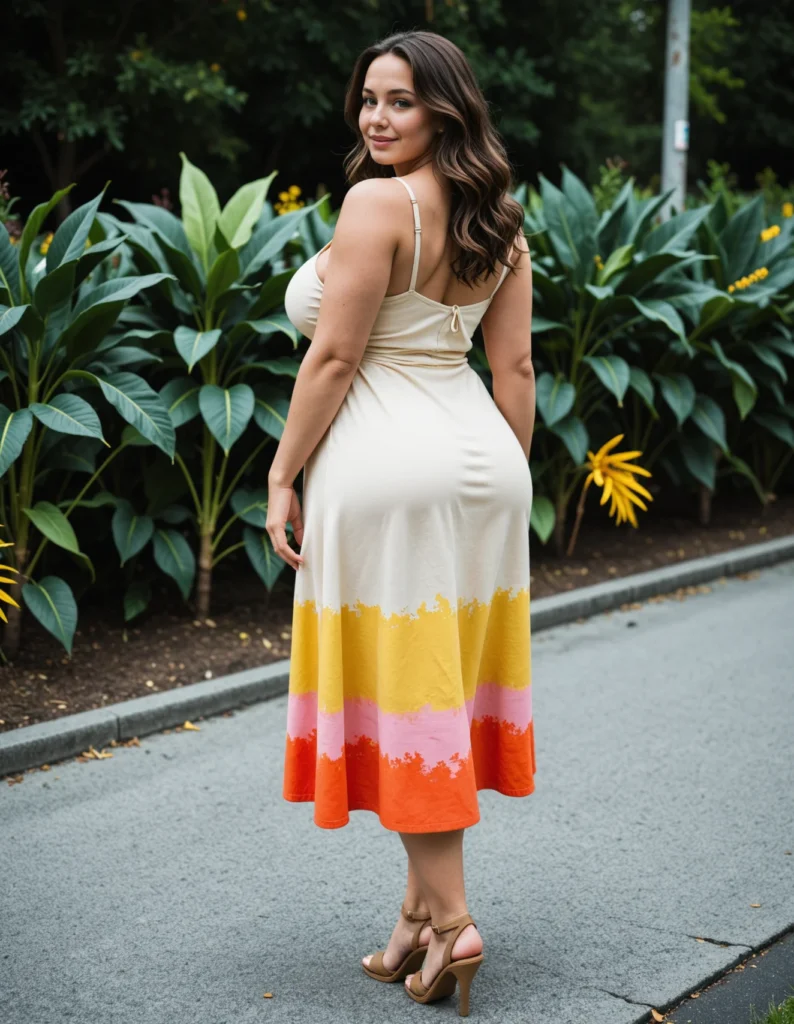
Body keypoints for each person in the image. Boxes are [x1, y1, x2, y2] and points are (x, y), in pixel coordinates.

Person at [268, 29, 536, 1017]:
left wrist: (281, 473)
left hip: (389, 466)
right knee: (430, 684)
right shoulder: (500, 219)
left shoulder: (377, 204)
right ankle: (416, 918)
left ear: (444, 110)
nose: (376, 118)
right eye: (369, 99)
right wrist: (507, 485)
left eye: (400, 101)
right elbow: (514, 370)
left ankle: (454, 919)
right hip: (483, 463)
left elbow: (335, 358)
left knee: (404, 694)